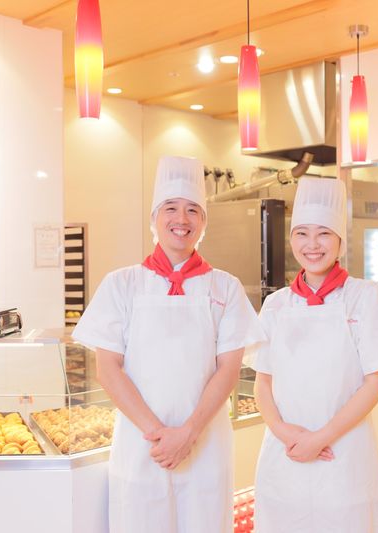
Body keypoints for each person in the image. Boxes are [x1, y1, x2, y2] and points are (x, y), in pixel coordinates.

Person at [73, 155, 264, 533]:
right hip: (142, 444)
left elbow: (228, 370)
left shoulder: (225, 287)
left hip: (205, 444)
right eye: (171, 208)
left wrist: (188, 432)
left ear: (203, 222)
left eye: (193, 210)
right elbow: (107, 369)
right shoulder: (121, 284)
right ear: (154, 218)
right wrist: (161, 436)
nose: (182, 219)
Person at [251, 177, 378, 532]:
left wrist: (320, 438)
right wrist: (284, 432)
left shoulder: (364, 297)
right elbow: (262, 383)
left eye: (323, 233)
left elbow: (375, 383)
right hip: (285, 454)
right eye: (302, 233)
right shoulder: (275, 304)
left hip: (344, 455)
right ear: (291, 238)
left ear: (340, 240)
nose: (312, 244)